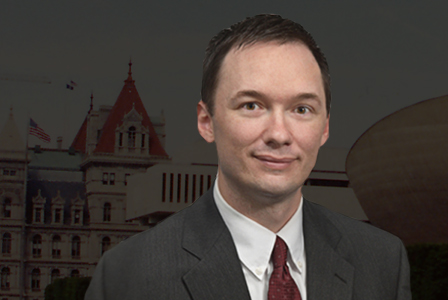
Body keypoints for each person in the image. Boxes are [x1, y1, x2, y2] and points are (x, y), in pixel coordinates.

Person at [85, 14, 411, 300]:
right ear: (206, 121)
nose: (279, 134)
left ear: (325, 128)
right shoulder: (128, 275)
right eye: (252, 105)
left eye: (302, 109)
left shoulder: (381, 262)